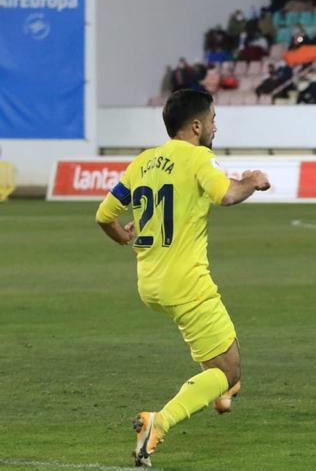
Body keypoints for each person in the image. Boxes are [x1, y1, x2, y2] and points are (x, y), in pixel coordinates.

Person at [95, 90, 271, 466]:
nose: (214, 126)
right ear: (196, 125)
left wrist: (123, 236)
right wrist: (252, 180)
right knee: (228, 369)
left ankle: (222, 393)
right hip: (186, 283)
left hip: (150, 283)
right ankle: (158, 423)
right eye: (212, 120)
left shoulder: (142, 162)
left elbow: (104, 215)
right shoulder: (198, 157)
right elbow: (226, 194)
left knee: (223, 362)